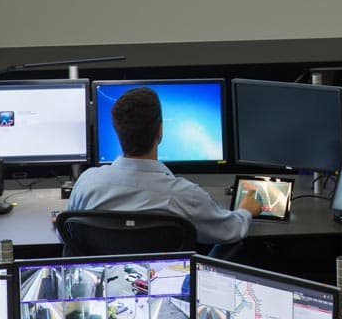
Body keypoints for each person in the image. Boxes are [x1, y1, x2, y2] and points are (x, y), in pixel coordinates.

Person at [67, 86, 262, 244]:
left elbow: (67, 234)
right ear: (159, 132)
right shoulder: (186, 196)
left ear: (118, 133)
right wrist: (246, 210)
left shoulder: (86, 184)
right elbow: (230, 231)